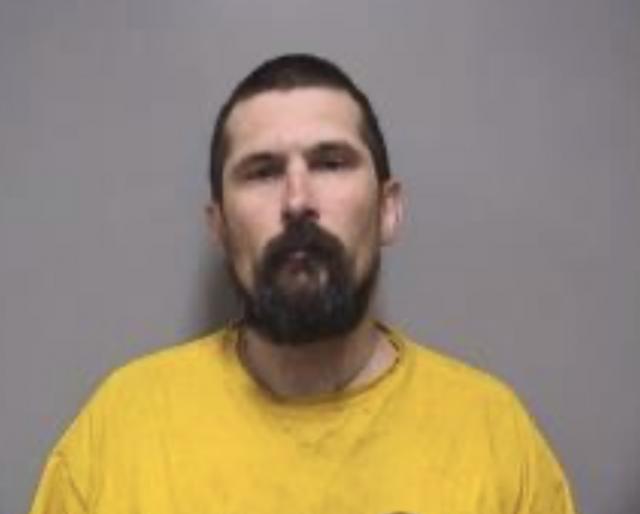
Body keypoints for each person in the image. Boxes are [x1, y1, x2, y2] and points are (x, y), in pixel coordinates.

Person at [28, 54, 577, 514]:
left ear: (388, 210)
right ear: (219, 227)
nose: (296, 201)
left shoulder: (493, 437)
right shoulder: (120, 432)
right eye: (262, 171)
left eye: (331, 163)